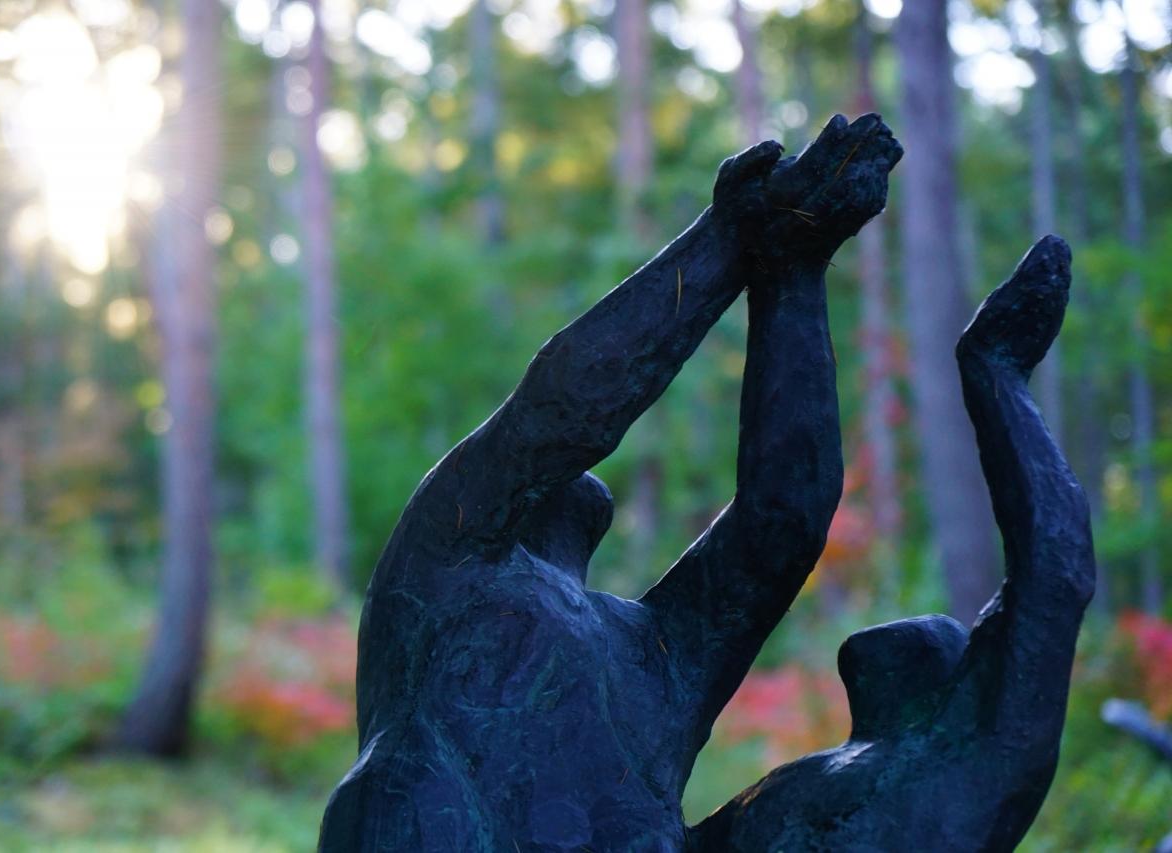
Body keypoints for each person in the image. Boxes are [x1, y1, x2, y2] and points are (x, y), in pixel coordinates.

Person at [317, 113, 903, 852]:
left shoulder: (651, 658)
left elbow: (782, 525)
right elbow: (565, 412)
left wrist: (795, 270)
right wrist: (725, 241)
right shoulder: (448, 558)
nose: (582, 472)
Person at [688, 236, 1096, 852]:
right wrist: (995, 374)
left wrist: (997, 376)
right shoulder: (784, 796)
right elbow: (1053, 574)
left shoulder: (961, 771)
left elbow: (1054, 577)